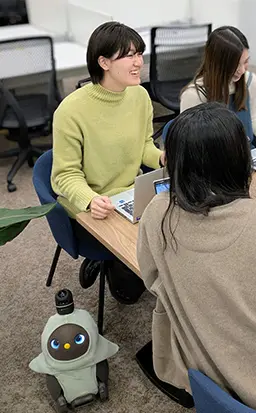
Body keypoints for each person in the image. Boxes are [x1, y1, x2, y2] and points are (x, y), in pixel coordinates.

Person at [137, 102, 256, 412]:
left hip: (210, 378)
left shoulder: (157, 213)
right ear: (241, 159)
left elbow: (152, 278)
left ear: (175, 162)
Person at [51, 21, 163, 301]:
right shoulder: (71, 110)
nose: (139, 62)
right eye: (129, 55)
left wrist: (161, 157)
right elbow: (63, 176)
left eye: (140, 53)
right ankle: (102, 259)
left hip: (131, 194)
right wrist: (90, 199)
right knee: (130, 295)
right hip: (97, 204)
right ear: (103, 62)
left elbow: (144, 147)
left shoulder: (139, 95)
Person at [179, 26, 256, 148]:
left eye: (245, 62)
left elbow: (253, 120)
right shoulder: (194, 96)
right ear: (217, 64)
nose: (242, 70)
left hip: (247, 155)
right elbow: (189, 147)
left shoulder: (249, 81)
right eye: (235, 65)